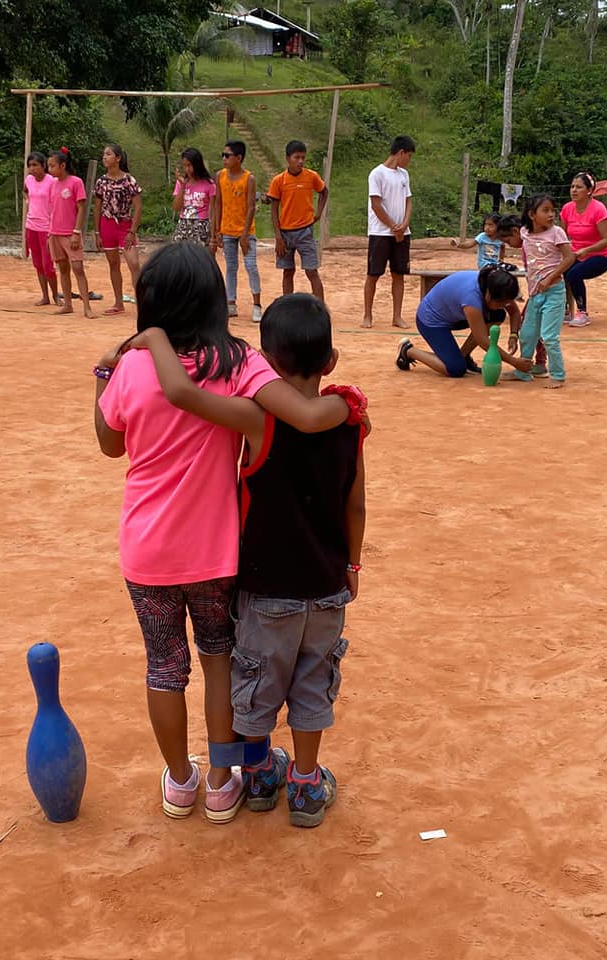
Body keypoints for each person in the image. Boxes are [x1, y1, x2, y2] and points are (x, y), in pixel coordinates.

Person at [93, 242, 353, 823]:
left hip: (147, 550)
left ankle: (179, 782)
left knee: (164, 667)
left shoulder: (133, 365)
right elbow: (302, 414)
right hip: (216, 551)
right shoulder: (237, 362)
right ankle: (219, 782)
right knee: (217, 660)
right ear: (215, 300)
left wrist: (103, 375)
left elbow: (109, 444)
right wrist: (346, 406)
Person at [395, 265, 532, 379]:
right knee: (455, 369)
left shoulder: (496, 286)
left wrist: (514, 335)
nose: (503, 305)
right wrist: (514, 362)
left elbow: (514, 312)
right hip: (431, 321)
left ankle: (463, 356)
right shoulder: (471, 299)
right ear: (489, 294)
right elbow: (483, 341)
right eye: (500, 303)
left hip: (453, 314)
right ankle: (408, 350)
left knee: (497, 315)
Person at [501, 194, 574, 389]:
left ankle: (558, 375)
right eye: (546, 210)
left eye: (552, 210)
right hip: (535, 294)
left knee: (549, 336)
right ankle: (523, 371)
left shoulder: (557, 232)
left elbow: (569, 258)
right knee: (527, 334)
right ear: (532, 215)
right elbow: (510, 235)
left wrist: (550, 278)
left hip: (554, 292)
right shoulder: (524, 232)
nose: (551, 215)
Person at [362, 135, 416, 329]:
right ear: (401, 153)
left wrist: (404, 224)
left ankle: (397, 316)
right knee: (373, 274)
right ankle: (367, 314)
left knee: (398, 274)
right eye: (408, 156)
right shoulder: (377, 174)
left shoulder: (404, 175)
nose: (409, 160)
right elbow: (376, 205)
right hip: (380, 233)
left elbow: (408, 201)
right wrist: (394, 227)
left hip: (402, 233)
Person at [268, 140, 328, 300]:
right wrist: (278, 237)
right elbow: (274, 210)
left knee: (312, 271)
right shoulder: (279, 181)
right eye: (297, 157)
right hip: (285, 233)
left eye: (303, 157)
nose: (300, 161)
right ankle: (288, 306)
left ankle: (321, 307)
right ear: (288, 158)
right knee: (288, 271)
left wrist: (318, 213)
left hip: (305, 231)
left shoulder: (311, 176)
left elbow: (324, 191)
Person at [212, 140, 262, 323]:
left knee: (251, 266)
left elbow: (250, 207)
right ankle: (230, 302)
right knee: (231, 267)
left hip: (245, 231)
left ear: (239, 158)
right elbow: (218, 203)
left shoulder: (249, 178)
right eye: (223, 155)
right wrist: (217, 230)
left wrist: (245, 234)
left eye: (227, 155)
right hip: (227, 230)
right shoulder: (220, 176)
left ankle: (257, 304)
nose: (224, 159)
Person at [93, 143, 142, 315]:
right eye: (104, 154)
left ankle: (142, 303)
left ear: (118, 158)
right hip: (107, 225)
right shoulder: (101, 182)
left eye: (108, 154)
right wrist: (97, 232)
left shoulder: (129, 180)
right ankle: (118, 302)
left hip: (125, 225)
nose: (104, 157)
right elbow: (97, 208)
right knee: (113, 264)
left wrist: (132, 231)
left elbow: (138, 207)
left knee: (134, 264)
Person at [560, 172, 607, 326]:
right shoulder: (567, 208)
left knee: (574, 274)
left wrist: (586, 250)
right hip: (576, 254)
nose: (574, 190)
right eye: (572, 187)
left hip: (600, 256)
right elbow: (562, 236)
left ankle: (582, 312)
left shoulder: (598, 209)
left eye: (579, 187)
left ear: (589, 191)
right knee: (560, 270)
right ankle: (565, 310)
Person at [47, 147, 95, 319]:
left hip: (70, 233)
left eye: (52, 166)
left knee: (78, 268)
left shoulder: (76, 182)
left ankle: (87, 307)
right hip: (54, 232)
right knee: (63, 268)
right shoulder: (52, 184)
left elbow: (81, 208)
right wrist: (49, 233)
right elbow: (52, 209)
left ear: (62, 165)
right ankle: (68, 304)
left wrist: (76, 232)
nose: (49, 169)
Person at [23, 151, 60, 306]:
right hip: (31, 226)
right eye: (30, 165)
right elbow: (25, 191)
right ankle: (45, 296)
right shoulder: (29, 180)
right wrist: (28, 202)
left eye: (35, 165)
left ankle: (55, 295)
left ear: (43, 165)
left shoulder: (52, 181)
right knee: (37, 263)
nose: (32, 168)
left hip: (46, 227)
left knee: (48, 265)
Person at [172, 147, 215, 252]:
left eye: (189, 165)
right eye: (184, 166)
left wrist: (213, 235)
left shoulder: (209, 184)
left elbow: (213, 212)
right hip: (183, 224)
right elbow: (176, 207)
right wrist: (183, 186)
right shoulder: (181, 183)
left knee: (199, 256)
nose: (187, 169)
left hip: (201, 225)